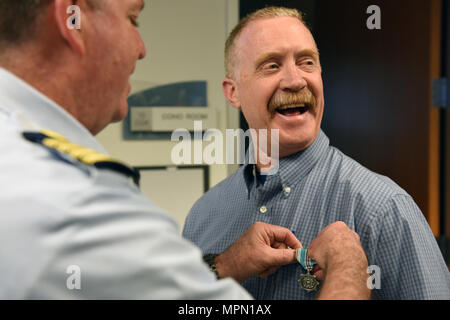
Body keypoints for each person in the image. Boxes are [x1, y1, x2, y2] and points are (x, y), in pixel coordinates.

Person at [0, 0, 370, 299]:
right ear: (72, 19)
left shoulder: (379, 209)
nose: (141, 49)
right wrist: (348, 265)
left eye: (307, 62)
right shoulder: (81, 207)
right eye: (133, 19)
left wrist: (221, 266)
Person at [182, 6, 450, 300]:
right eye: (271, 65)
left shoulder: (385, 210)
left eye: (306, 62)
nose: (296, 81)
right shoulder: (202, 217)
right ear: (233, 93)